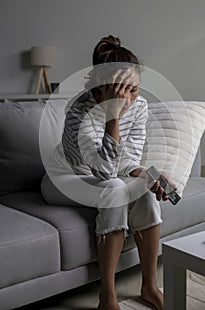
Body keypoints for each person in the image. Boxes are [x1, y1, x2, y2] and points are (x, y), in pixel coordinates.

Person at [41, 35, 172, 310]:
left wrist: (148, 175)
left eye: (134, 90)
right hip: (65, 178)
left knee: (144, 193)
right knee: (114, 188)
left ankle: (149, 286)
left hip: (105, 175)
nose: (128, 99)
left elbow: (127, 161)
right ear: (99, 89)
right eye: (119, 90)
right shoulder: (78, 111)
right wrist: (112, 116)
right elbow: (103, 172)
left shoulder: (140, 107)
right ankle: (107, 296)